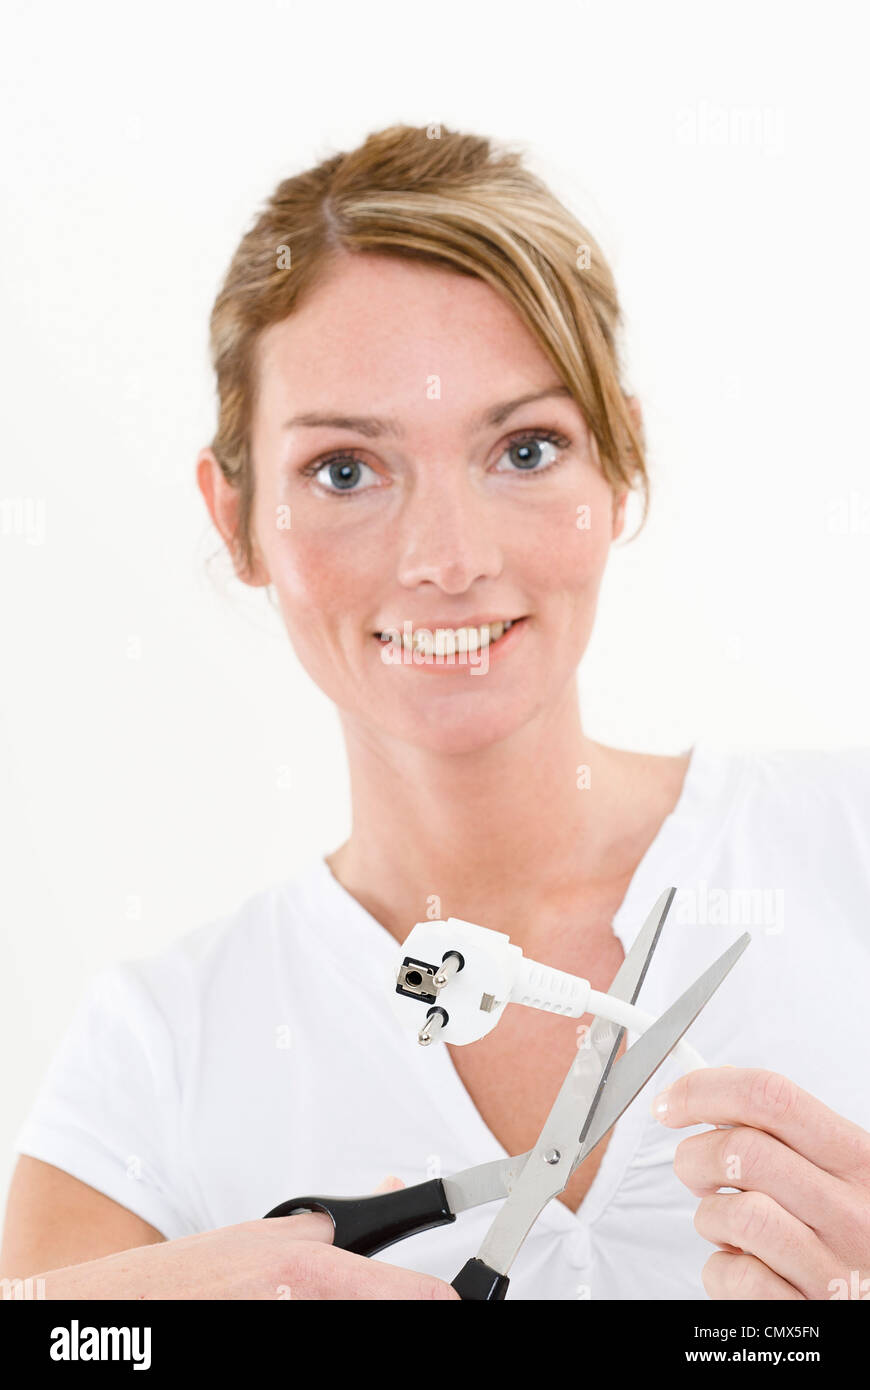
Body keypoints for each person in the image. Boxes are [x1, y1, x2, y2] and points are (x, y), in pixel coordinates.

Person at [2, 125, 869, 1301]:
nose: (449, 560)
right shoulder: (159, 1049)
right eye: (346, 470)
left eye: (525, 448)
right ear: (235, 518)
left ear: (619, 470)